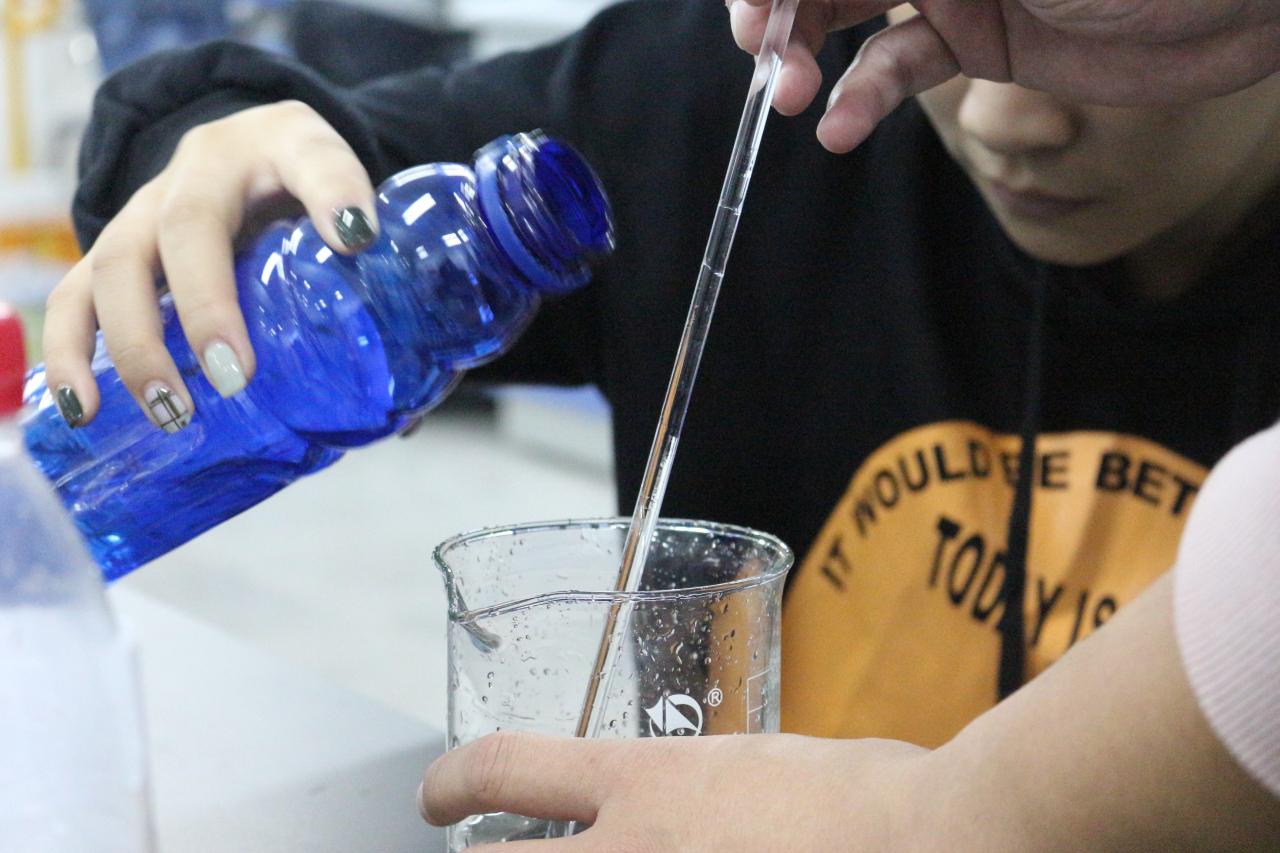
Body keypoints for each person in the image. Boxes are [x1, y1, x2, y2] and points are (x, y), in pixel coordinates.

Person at [43, 0, 1280, 847]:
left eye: (1077, 28)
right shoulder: (756, 105)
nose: (1013, 120)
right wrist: (215, 172)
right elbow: (320, 152)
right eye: (946, 14)